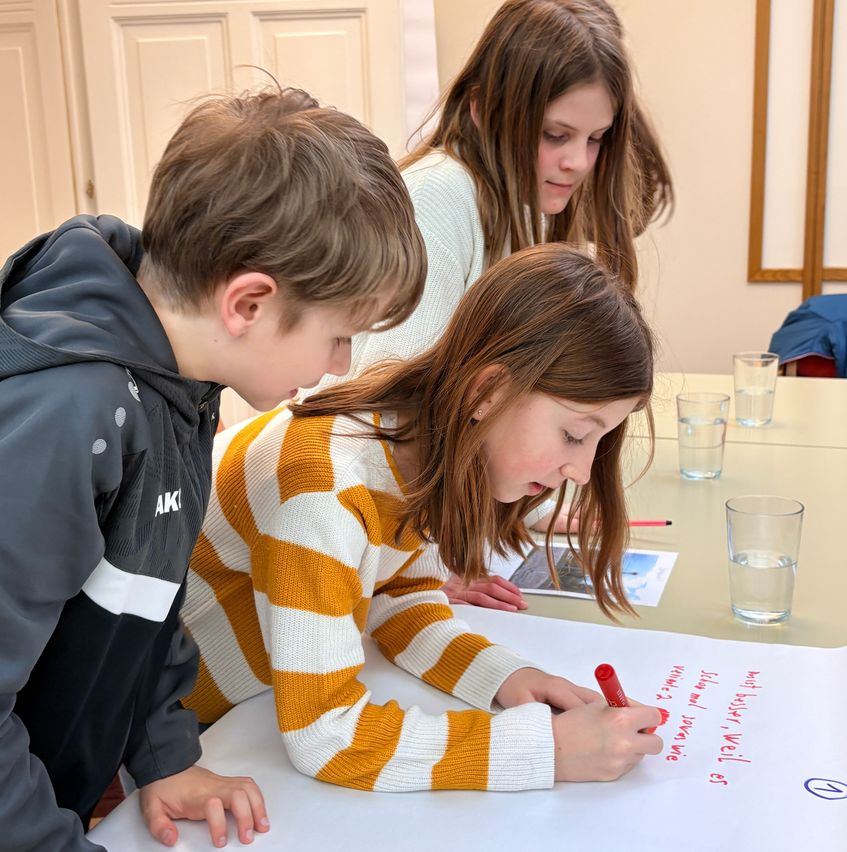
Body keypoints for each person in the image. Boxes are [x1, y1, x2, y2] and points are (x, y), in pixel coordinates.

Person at [0, 87, 425, 850]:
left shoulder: (180, 377)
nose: (344, 364)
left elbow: (147, 592)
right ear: (249, 303)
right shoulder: (73, 415)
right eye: (339, 335)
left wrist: (163, 756)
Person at [182, 244, 664, 794]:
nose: (581, 470)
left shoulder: (424, 447)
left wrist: (508, 678)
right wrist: (545, 751)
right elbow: (325, 736)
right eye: (575, 435)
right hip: (171, 737)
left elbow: (401, 599)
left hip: (235, 715)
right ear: (487, 391)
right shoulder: (323, 488)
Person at [312, 0, 673, 609]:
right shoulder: (439, 199)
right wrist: (424, 565)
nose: (578, 162)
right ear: (482, 109)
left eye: (595, 139)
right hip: (354, 538)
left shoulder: (519, 206)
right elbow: (383, 412)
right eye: (555, 135)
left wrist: (532, 486)